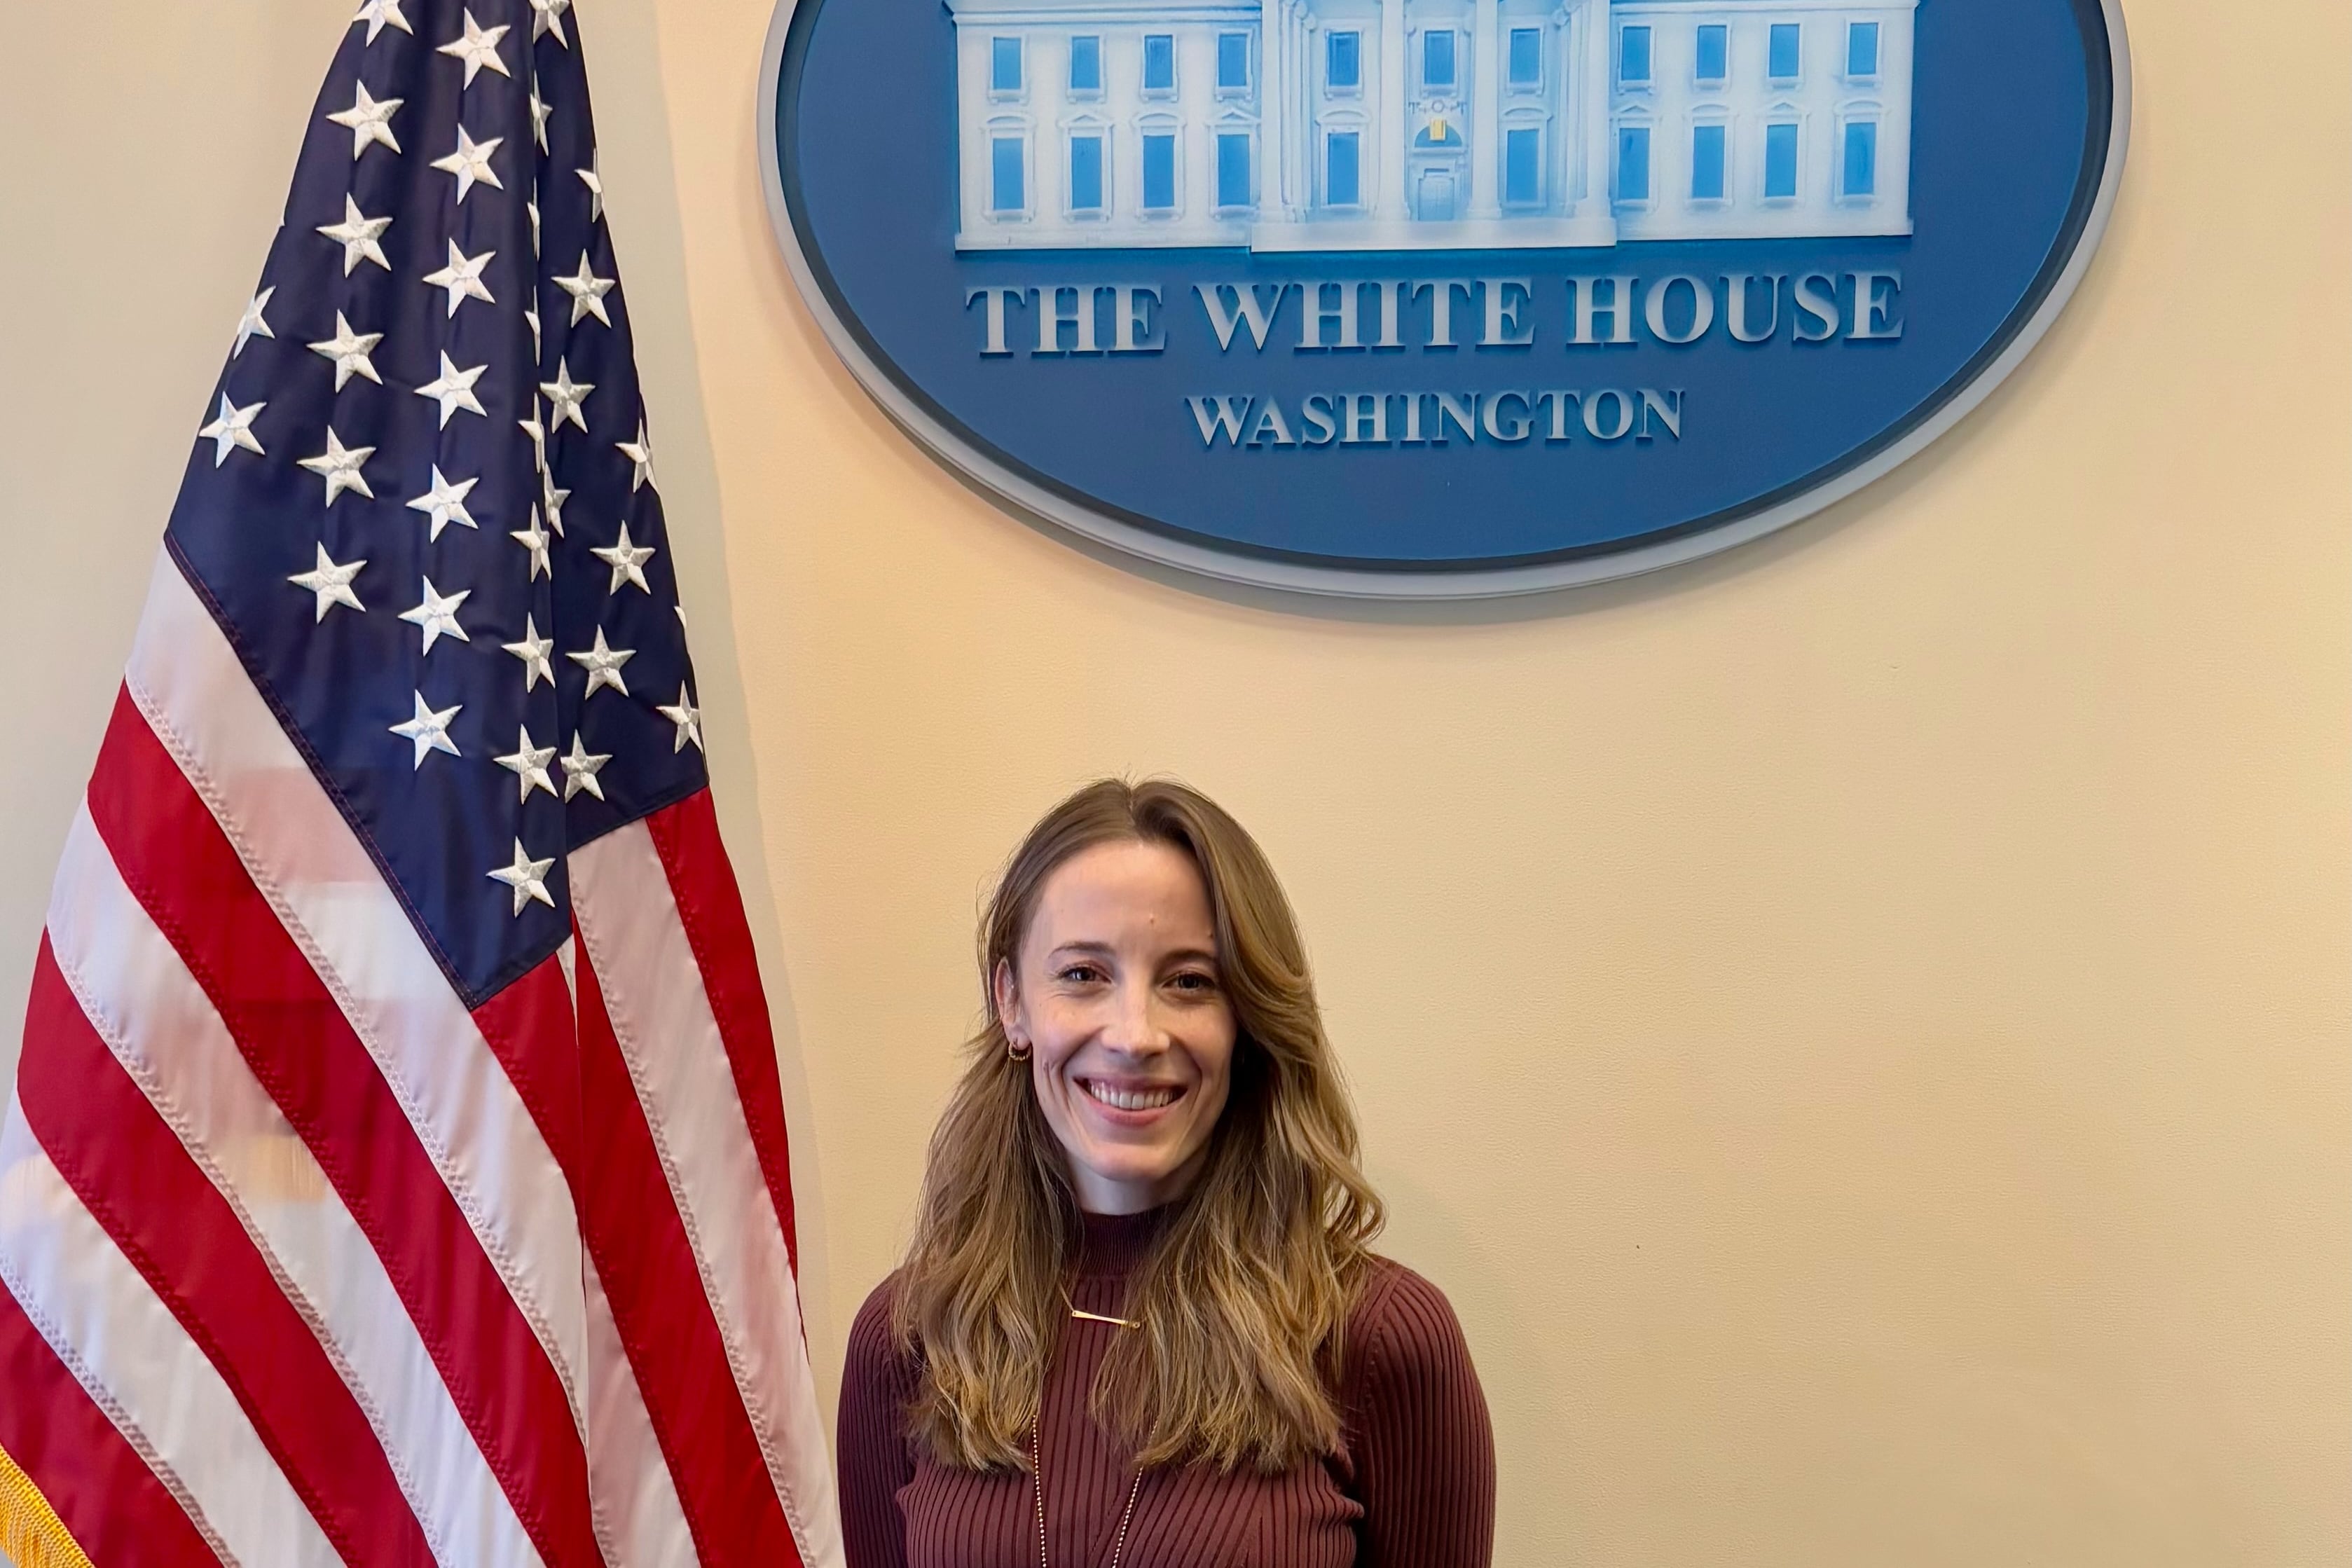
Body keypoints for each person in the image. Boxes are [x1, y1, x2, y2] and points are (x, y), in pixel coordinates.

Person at [837, 778, 1496, 1568]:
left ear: (1246, 1020)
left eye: (1189, 981)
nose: (1135, 1034)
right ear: (1012, 1002)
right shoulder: (908, 1337)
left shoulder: (1381, 1339)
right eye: (1083, 974)